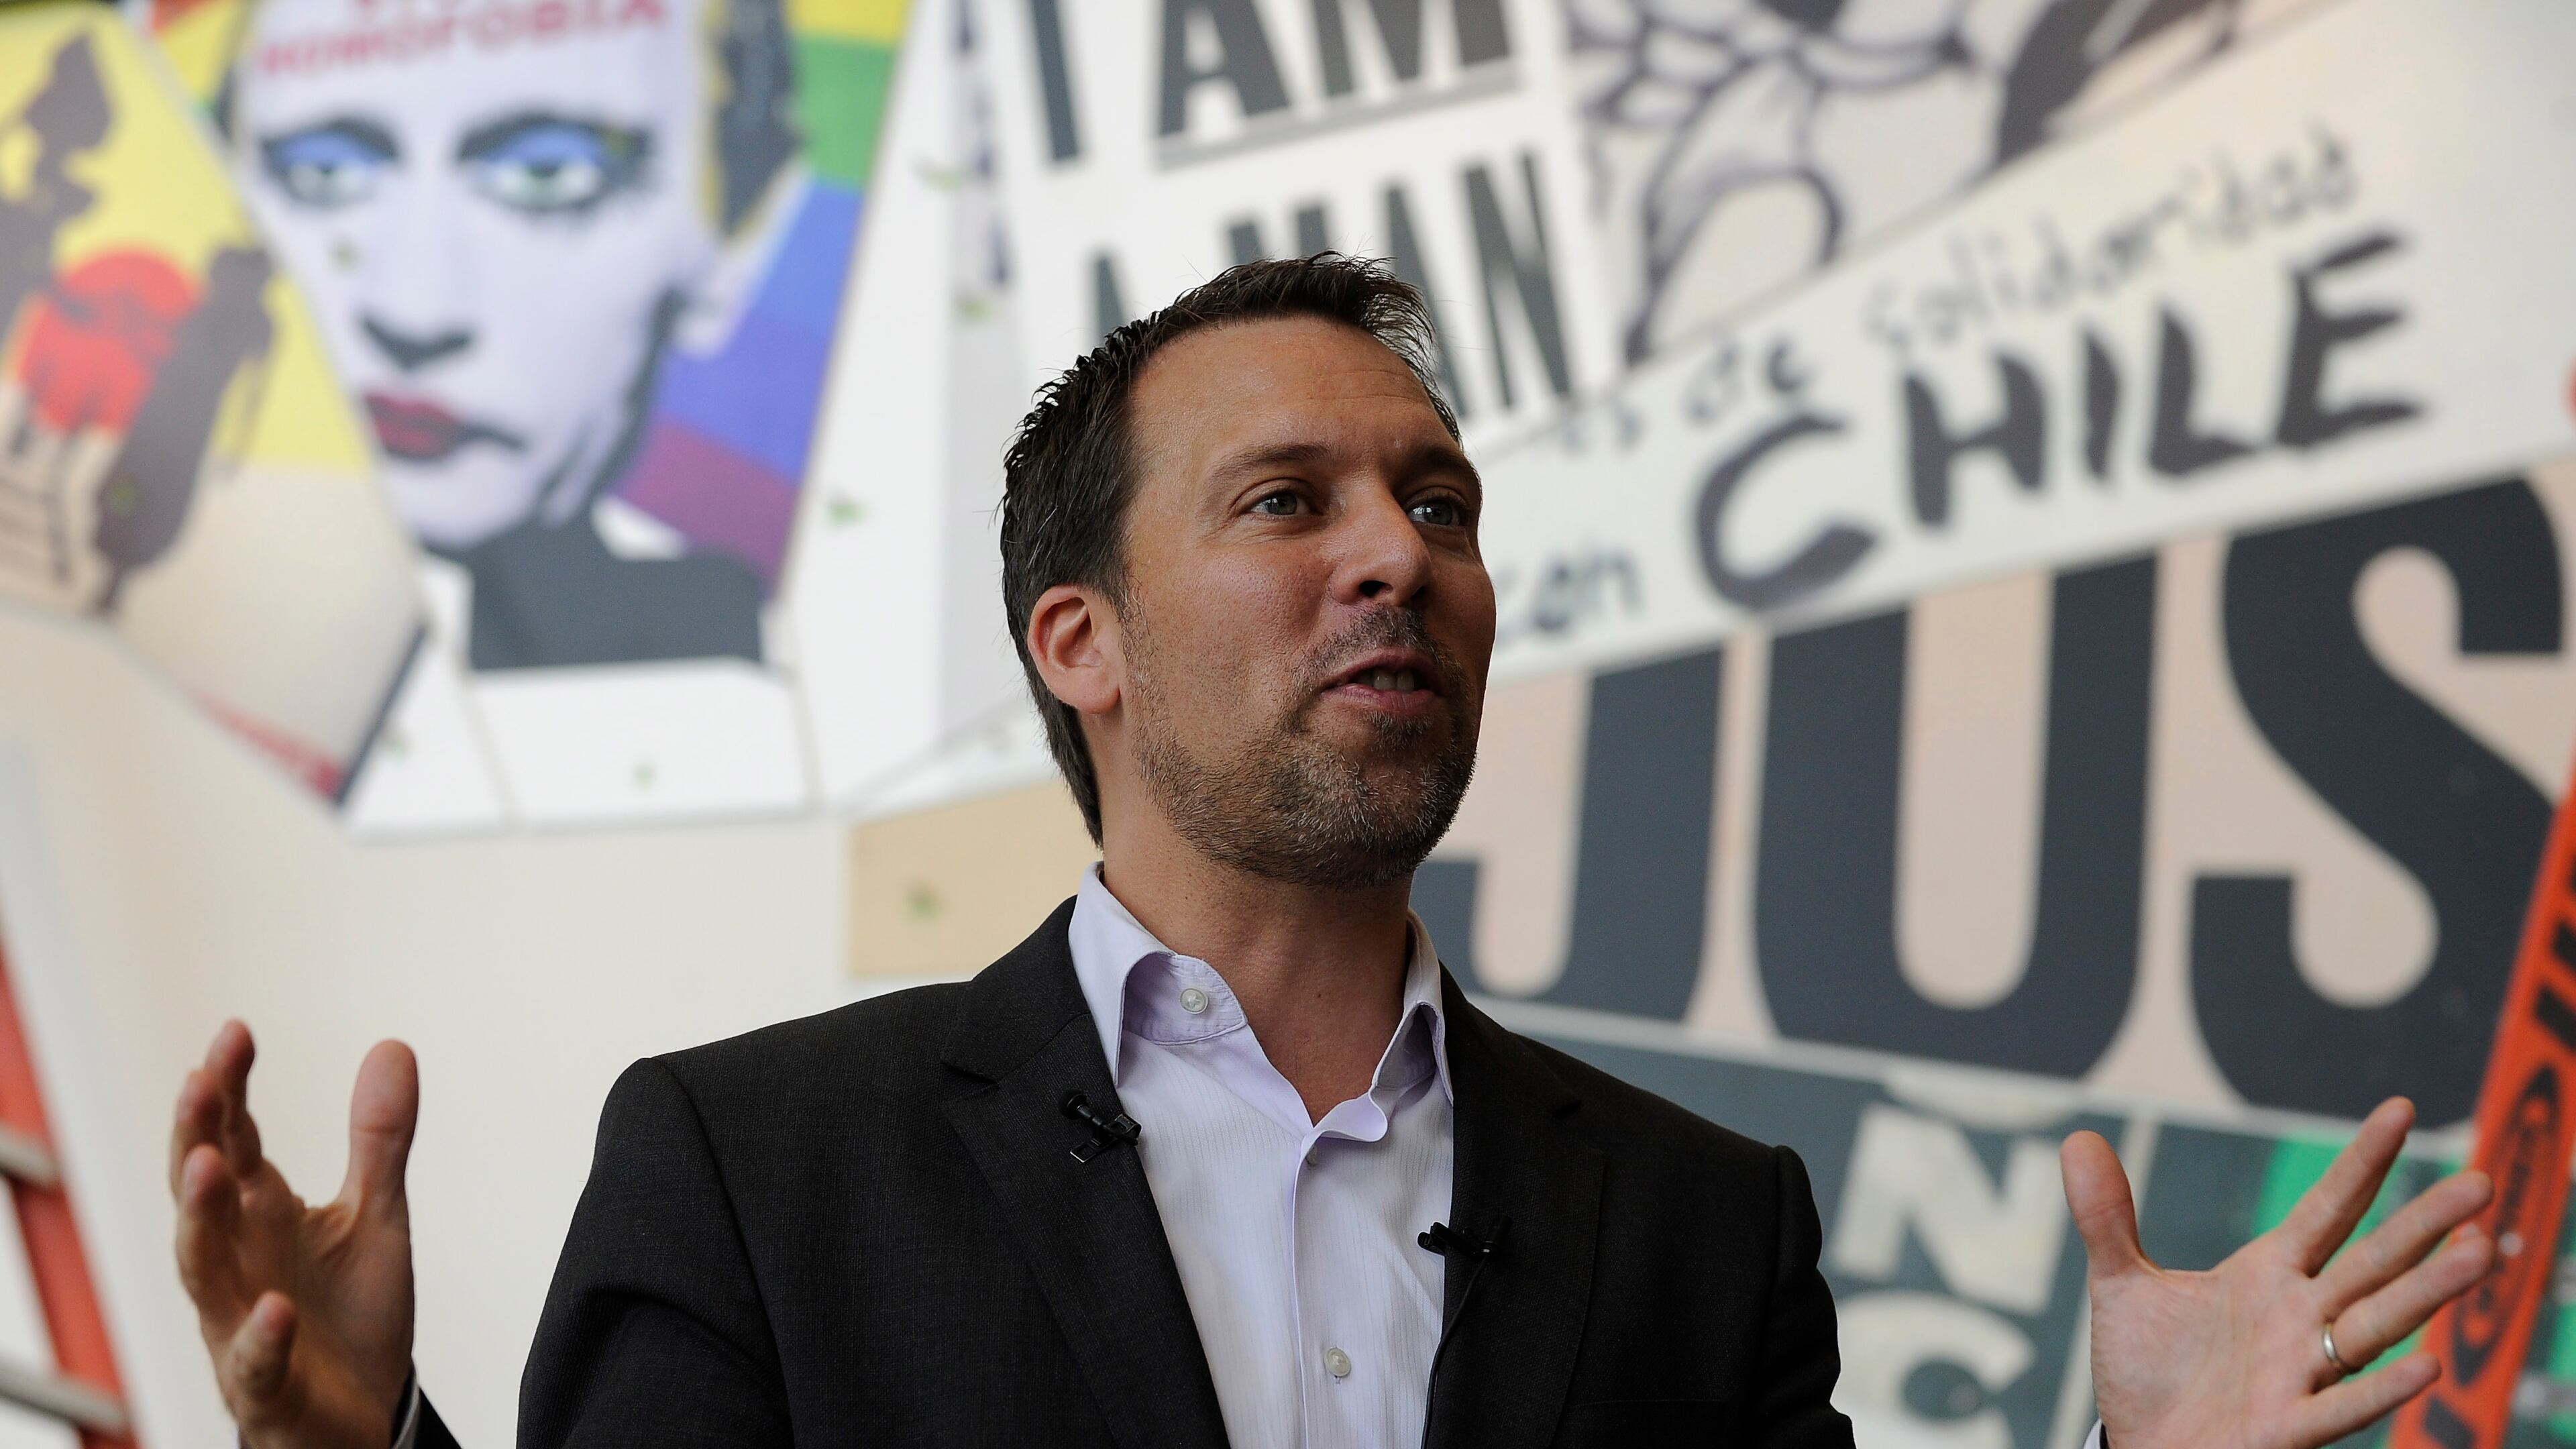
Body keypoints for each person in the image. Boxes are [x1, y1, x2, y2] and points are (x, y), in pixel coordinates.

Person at [169, 256, 2498, 1448]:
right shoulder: (761, 1167)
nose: (1400, 557)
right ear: (1077, 642)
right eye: (1291, 504)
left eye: (1443, 506)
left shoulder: (1700, 1229)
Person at [217, 0, 812, 669]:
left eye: (547, 177)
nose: (416, 313)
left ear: (742, 235)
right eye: (322, 175)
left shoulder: (725, 649)